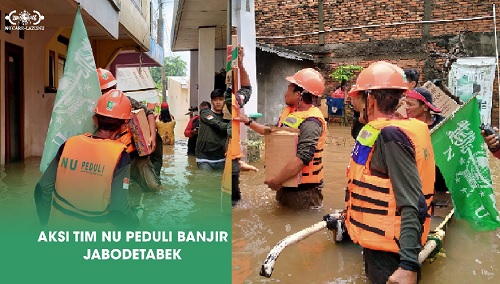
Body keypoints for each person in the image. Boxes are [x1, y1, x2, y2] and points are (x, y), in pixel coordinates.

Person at [345, 61, 435, 284]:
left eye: (358, 97)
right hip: (383, 244)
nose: (354, 103)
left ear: (371, 99)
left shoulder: (391, 137)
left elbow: (413, 202)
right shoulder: (385, 130)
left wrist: (408, 265)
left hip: (392, 252)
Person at [34, 90, 140, 230]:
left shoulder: (69, 144)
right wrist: (135, 222)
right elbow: (119, 210)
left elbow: (42, 189)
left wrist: (45, 223)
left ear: (95, 120)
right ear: (124, 126)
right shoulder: (120, 156)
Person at [237, 68, 327, 210]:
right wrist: (247, 121)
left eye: (288, 89)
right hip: (286, 185)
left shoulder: (311, 121)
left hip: (303, 192)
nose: (285, 93)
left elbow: (303, 157)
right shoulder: (292, 114)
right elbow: (272, 133)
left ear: (299, 94)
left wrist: (276, 181)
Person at [96, 68, 162, 191]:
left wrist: (152, 136)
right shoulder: (97, 107)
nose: (109, 92)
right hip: (114, 159)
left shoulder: (125, 101)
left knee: (154, 187)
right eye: (104, 91)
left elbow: (149, 113)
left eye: (112, 88)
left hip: (137, 156)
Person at [224, 46, 252, 206]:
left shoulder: (232, 100)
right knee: (234, 202)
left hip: (226, 160)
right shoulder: (235, 100)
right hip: (229, 160)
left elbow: (246, 89)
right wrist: (240, 65)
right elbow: (247, 88)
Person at [195, 89, 230, 170]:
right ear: (211, 101)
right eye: (215, 100)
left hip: (221, 158)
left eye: (221, 99)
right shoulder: (205, 113)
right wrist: (232, 125)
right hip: (204, 158)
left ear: (225, 101)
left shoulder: (227, 118)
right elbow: (218, 125)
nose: (218, 102)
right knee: (206, 181)